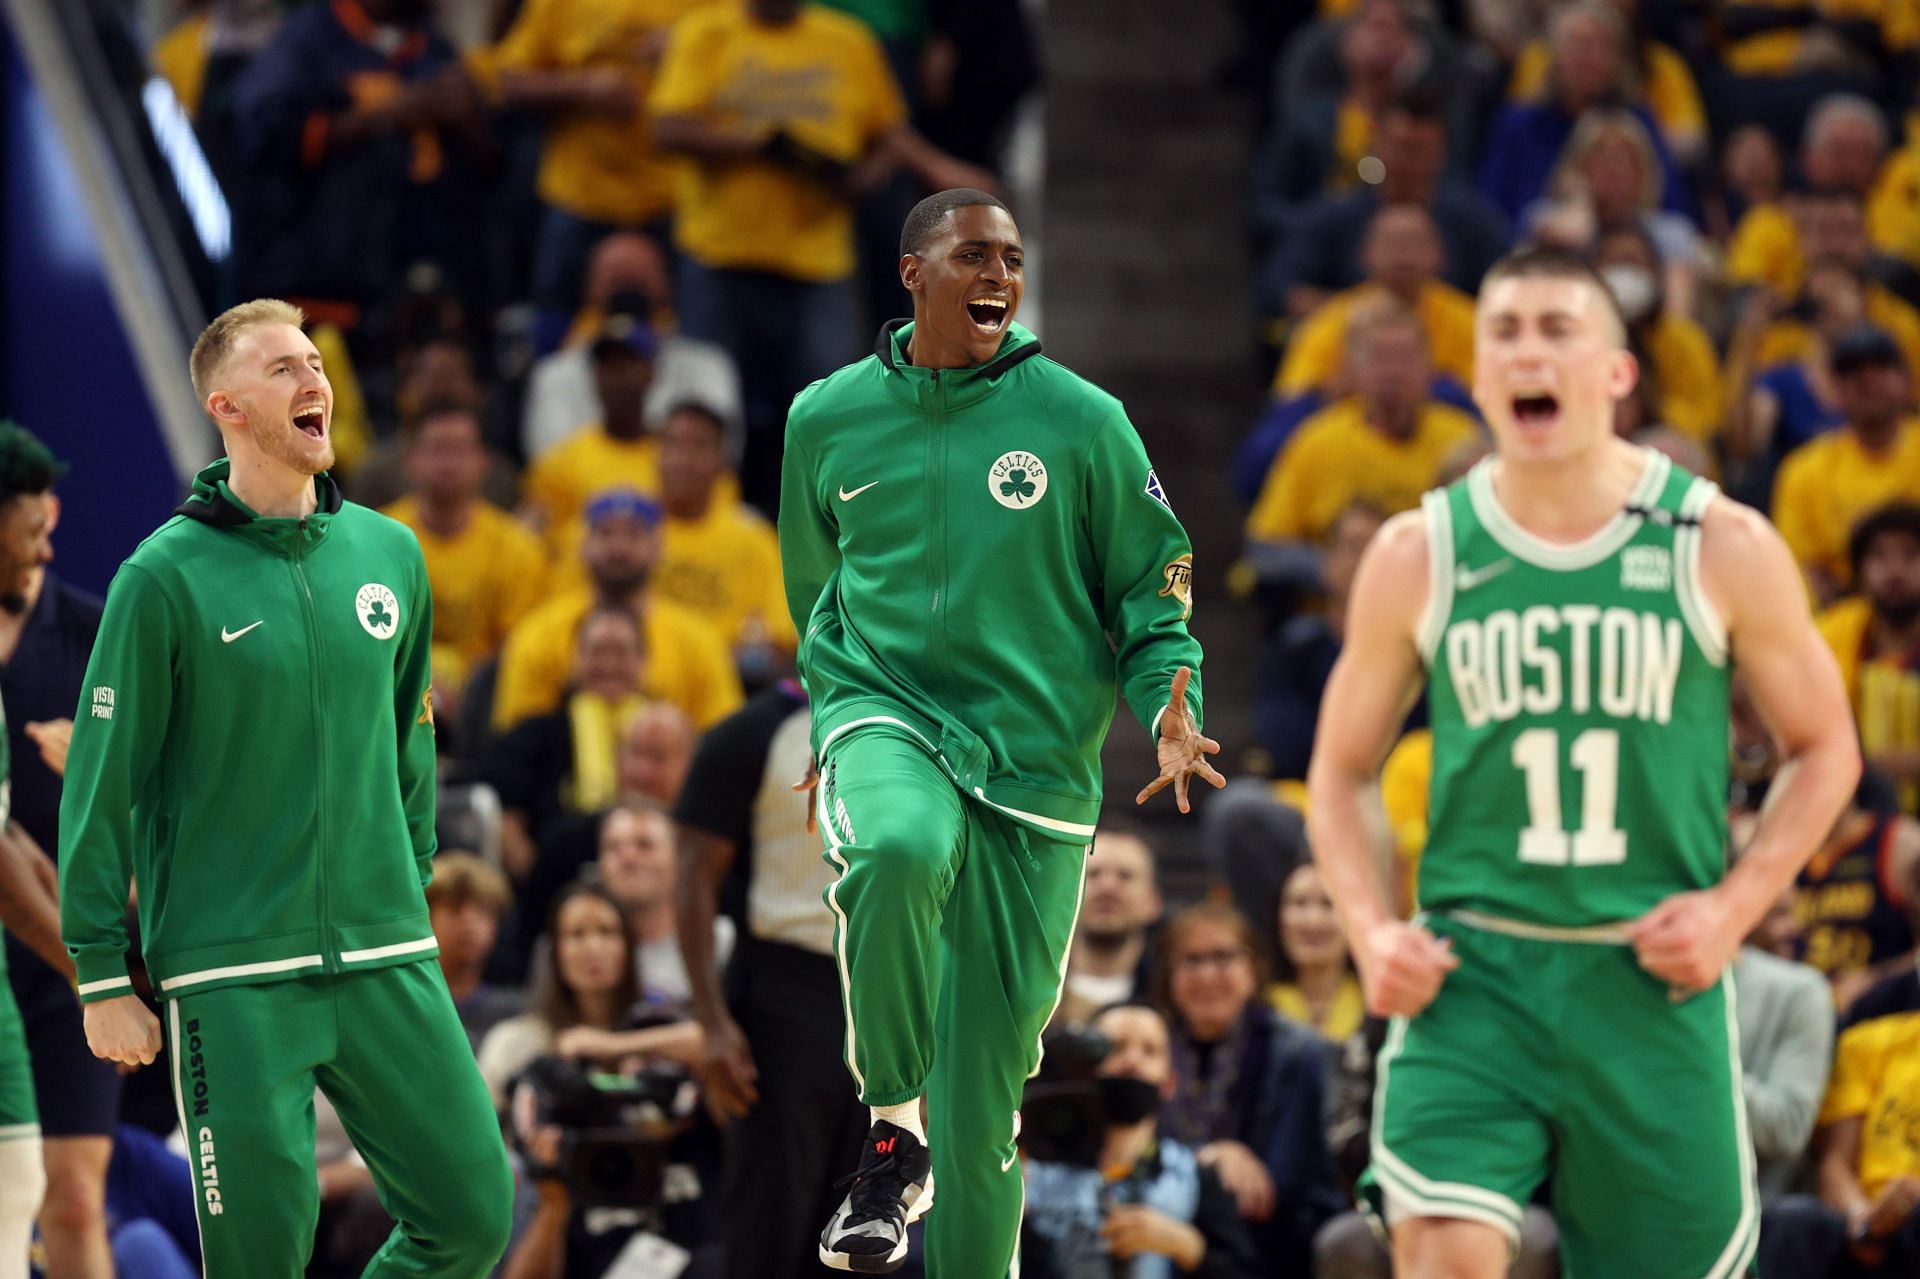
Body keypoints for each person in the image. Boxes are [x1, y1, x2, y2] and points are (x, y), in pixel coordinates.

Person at [1305, 247, 1862, 1277]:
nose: (1527, 351)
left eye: (1557, 328)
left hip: (1648, 976)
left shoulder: (1717, 541)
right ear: (1475, 377)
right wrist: (1370, 928)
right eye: (1504, 332)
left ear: (1616, 372)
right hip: (1477, 972)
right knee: (1444, 1258)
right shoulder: (1417, 553)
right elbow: (1338, 771)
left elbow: (1828, 748)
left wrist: (1734, 909)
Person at [779, 189, 1222, 1276]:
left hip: (1033, 771)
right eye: (973, 254)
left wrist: (1173, 704)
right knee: (895, 846)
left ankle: (938, 1160)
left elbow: (1152, 599)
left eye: (1013, 260)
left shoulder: (1083, 421)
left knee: (985, 1116)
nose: (999, 276)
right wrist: (842, 725)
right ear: (912, 272)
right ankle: (891, 1125)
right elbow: (812, 585)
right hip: (887, 714)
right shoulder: (822, 418)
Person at [57, 299, 514, 1277]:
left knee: (473, 1216)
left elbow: (411, 739)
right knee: (262, 1258)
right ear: (227, 407)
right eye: (282, 368)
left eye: (316, 361)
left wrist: (408, 873)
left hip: (387, 947)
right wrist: (102, 971)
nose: (315, 380)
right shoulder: (162, 578)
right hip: (233, 975)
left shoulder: (389, 554)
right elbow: (99, 786)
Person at [672, 676, 870, 1279]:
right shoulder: (752, 732)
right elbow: (691, 879)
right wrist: (711, 1021)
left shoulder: (917, 719)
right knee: (770, 1220)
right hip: (784, 995)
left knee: (865, 1228)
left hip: (888, 989)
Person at [0, 423, 118, 1279]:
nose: (46, 539)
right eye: (27, 526)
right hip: (40, 928)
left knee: (71, 1194)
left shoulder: (96, 633)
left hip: (61, 928)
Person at [1154, 903, 1343, 1273]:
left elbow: (1282, 1182)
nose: (1207, 975)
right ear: (1169, 975)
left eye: (1223, 957)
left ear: (1253, 969)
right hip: (1162, 1225)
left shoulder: (1295, 1050)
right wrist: (1209, 1158)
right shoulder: (1149, 1044)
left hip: (1271, 1236)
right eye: (1191, 960)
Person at [1019, 1003, 1261, 1279]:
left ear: (1170, 1083)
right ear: (1082, 1068)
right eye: (1116, 1046)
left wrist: (1189, 1246)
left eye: (1150, 1050)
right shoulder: (1035, 1169)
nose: (1132, 1061)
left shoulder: (1194, 1176)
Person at [1055, 821, 1163, 1027]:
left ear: (1153, 902)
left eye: (1125, 876)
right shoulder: (1031, 989)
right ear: (1065, 894)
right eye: (1093, 874)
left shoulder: (1172, 1001)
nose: (1108, 887)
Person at [425, 851, 523, 1050]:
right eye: (455, 909)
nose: (469, 923)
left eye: (483, 911)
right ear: (427, 917)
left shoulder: (516, 1015)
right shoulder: (407, 1008)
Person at [1268, 861, 1365, 1044]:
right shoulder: (1258, 1007)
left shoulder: (1379, 1010)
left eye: (1328, 904)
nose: (1313, 921)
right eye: (1299, 903)